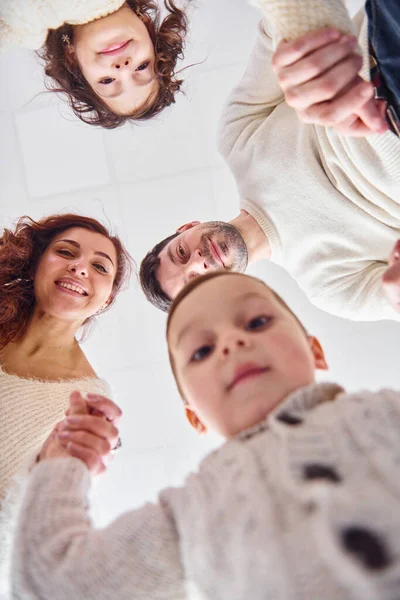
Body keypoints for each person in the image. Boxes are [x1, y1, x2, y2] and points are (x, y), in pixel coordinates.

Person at [10, 270, 400, 599]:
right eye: (201, 351)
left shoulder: (387, 411)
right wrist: (65, 460)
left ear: (315, 350)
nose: (231, 342)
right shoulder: (189, 512)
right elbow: (51, 583)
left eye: (256, 322)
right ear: (193, 415)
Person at [139, 0, 400, 321]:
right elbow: (391, 299)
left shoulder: (235, 140)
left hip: (383, 57)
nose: (198, 261)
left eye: (180, 252)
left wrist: (311, 60)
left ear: (188, 227)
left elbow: (278, 27)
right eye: (196, 281)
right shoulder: (330, 290)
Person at [0, 213, 133, 597]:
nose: (80, 267)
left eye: (99, 267)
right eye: (65, 252)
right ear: (37, 262)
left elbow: (31, 509)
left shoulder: (89, 400)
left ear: (105, 298)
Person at [0, 1, 189, 128]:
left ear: (71, 58)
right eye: (141, 67)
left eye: (107, 80)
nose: (123, 69)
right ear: (148, 29)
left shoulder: (25, 26)